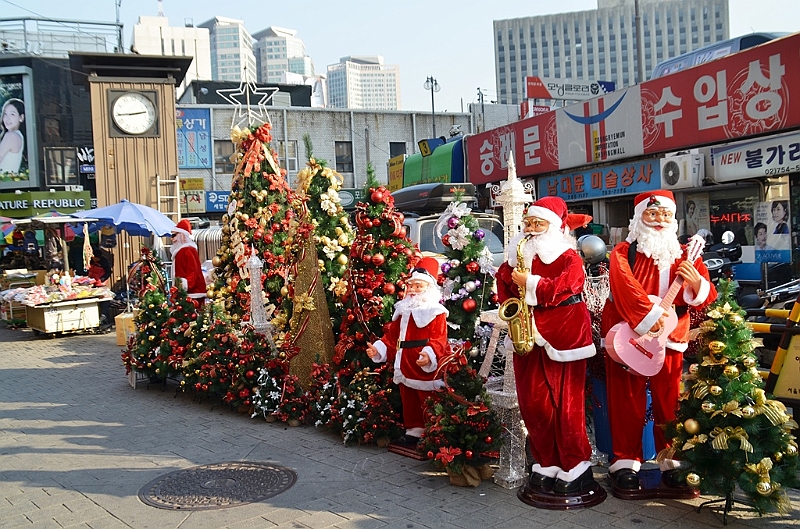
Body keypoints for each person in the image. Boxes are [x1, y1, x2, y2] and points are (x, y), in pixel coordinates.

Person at [601, 190, 716, 493]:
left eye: (665, 215)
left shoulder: (686, 255)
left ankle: (671, 460)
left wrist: (695, 282)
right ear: (639, 217)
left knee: (670, 403)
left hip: (671, 338)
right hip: (627, 338)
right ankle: (625, 462)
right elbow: (625, 289)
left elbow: (708, 295)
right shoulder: (624, 252)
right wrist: (648, 320)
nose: (659, 221)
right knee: (626, 400)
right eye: (652, 214)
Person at [495, 196, 598, 495]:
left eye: (538, 224)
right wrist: (510, 292)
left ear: (553, 226)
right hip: (528, 335)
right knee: (535, 405)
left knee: (567, 406)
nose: (531, 229)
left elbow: (569, 285)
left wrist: (531, 283)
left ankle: (576, 466)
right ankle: (546, 462)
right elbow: (504, 285)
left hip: (564, 335)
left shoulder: (567, 255)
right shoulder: (518, 255)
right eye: (527, 223)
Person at [366, 257, 450, 447]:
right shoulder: (403, 310)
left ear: (428, 288)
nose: (412, 290)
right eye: (410, 286)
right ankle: (413, 430)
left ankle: (433, 431)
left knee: (427, 397)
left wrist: (429, 354)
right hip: (404, 361)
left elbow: (440, 339)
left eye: (417, 286)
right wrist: (378, 348)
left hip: (422, 361)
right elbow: (391, 336)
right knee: (409, 396)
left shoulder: (436, 312)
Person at [170, 219, 206, 301]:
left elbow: (193, 271)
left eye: (174, 236)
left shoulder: (188, 250)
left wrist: (185, 284)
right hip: (184, 293)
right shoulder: (181, 251)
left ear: (181, 235)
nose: (172, 239)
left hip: (192, 294)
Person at [0, 98, 25, 174]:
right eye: (5, 114)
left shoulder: (11, 136)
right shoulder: (19, 135)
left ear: (21, 118)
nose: (7, 118)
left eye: (12, 114)